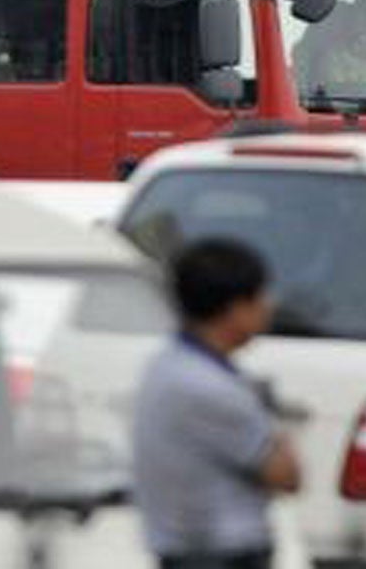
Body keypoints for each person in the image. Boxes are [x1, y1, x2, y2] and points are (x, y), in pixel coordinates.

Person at [131, 238, 302, 569]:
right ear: (236, 308)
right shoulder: (209, 388)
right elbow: (286, 475)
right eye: (260, 296)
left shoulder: (167, 366)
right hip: (220, 552)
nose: (269, 305)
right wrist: (280, 432)